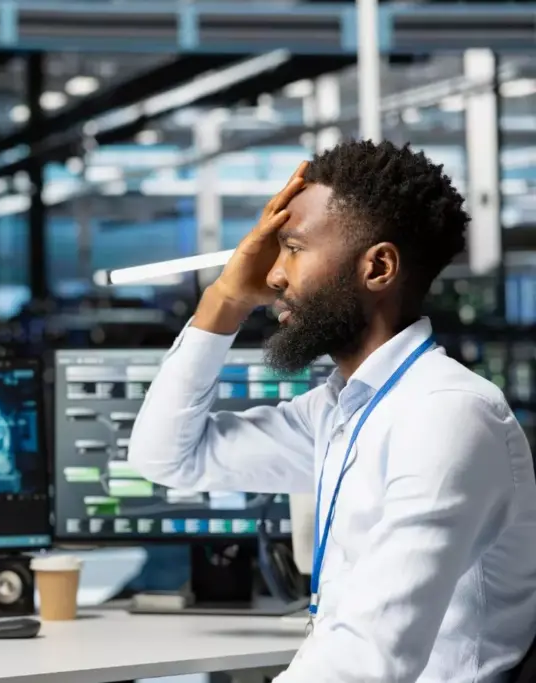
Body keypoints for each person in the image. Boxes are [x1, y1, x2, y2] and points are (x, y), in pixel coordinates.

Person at [128, 139, 536, 682]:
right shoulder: (341, 409)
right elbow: (167, 457)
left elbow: (368, 662)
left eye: (294, 248)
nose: (273, 275)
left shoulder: (447, 417)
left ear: (378, 267)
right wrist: (225, 298)